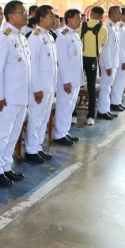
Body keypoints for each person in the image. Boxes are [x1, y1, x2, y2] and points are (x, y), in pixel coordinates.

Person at [0, 0, 29, 187]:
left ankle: (5, 166)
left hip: (21, 95)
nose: (26, 15)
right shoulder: (3, 38)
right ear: (11, 15)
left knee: (13, 134)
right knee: (3, 133)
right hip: (8, 97)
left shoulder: (20, 36)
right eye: (23, 12)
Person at [24, 5, 58, 162]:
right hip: (40, 87)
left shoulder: (49, 36)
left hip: (49, 86)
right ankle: (30, 150)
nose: (54, 19)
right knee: (36, 117)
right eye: (51, 16)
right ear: (42, 19)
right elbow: (33, 66)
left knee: (44, 118)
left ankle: (37, 147)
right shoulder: (35, 38)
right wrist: (37, 88)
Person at [53, 9, 84, 146]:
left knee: (70, 107)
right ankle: (59, 134)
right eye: (77, 18)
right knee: (63, 106)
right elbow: (62, 60)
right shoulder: (63, 36)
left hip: (75, 78)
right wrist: (66, 81)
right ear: (69, 20)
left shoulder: (75, 35)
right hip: (67, 79)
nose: (79, 21)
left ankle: (65, 131)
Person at [79, 6, 107, 126]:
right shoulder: (104, 29)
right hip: (92, 61)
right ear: (101, 17)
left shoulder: (81, 26)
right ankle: (90, 116)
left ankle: (74, 115)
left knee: (77, 87)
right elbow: (103, 43)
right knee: (91, 88)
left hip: (79, 60)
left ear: (90, 14)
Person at [96, 6, 121, 120]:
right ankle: (102, 110)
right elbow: (106, 49)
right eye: (118, 14)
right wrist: (108, 65)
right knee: (105, 87)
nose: (120, 16)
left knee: (109, 87)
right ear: (111, 14)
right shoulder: (108, 28)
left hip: (113, 62)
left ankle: (106, 109)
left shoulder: (114, 27)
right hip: (108, 64)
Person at [111, 7, 125, 111]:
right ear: (122, 15)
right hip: (120, 59)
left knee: (122, 81)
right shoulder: (119, 27)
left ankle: (118, 101)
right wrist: (123, 60)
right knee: (118, 81)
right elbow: (120, 46)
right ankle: (114, 102)